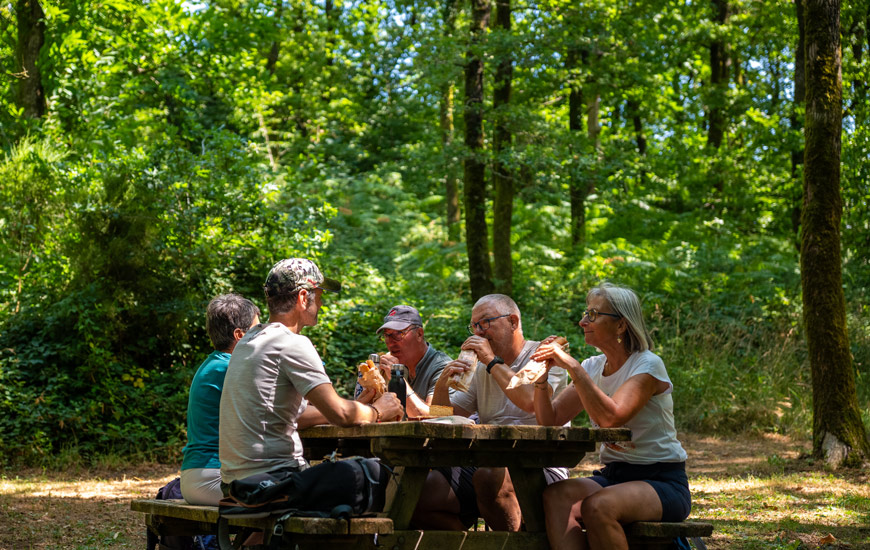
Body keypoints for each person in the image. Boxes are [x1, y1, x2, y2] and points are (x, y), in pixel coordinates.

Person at [531, 282, 690, 550]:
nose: (583, 322)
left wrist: (572, 367)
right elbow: (551, 419)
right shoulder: (592, 367)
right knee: (556, 495)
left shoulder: (647, 365)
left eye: (593, 314)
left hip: (661, 480)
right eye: (585, 313)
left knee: (598, 506)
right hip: (615, 475)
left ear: (621, 325)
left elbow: (611, 418)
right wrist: (540, 377)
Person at [219, 258, 404, 486]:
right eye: (320, 296)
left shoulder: (249, 340)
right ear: (303, 297)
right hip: (273, 481)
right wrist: (378, 410)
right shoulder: (291, 343)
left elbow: (299, 414)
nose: (322, 305)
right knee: (376, 472)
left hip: (234, 484)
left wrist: (358, 406)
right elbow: (341, 415)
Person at [414, 294, 568, 531]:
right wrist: (443, 384)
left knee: (488, 476)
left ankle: (515, 543)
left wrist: (491, 361)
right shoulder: (479, 368)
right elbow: (443, 415)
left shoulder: (545, 355)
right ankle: (471, 543)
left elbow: (530, 401)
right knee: (418, 493)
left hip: (541, 463)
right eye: (474, 326)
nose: (478, 332)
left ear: (513, 322)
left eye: (485, 323)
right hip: (488, 462)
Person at [181, 293, 260, 505]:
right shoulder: (230, 368)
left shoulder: (215, 364)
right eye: (257, 330)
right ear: (240, 335)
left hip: (200, 475)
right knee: (293, 493)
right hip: (213, 477)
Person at [354, 305, 451, 418]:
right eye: (387, 335)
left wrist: (397, 378)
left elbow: (438, 416)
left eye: (399, 334)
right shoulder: (385, 367)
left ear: (419, 334)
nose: (390, 343)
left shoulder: (443, 367)